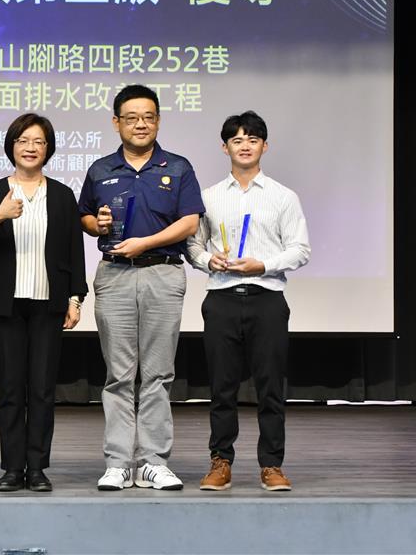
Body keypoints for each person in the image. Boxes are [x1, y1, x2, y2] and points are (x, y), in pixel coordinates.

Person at [78, 84, 204, 491]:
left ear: (158, 121)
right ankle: (118, 461)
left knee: (158, 373)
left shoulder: (178, 167)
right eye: (131, 118)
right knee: (118, 374)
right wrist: (96, 224)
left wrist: (145, 243)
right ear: (116, 122)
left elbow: (190, 222)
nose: (140, 124)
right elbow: (84, 217)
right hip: (114, 275)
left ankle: (153, 461)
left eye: (148, 117)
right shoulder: (100, 169)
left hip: (162, 273)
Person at [185, 110, 310, 492]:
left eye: (252, 139)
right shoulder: (208, 197)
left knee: (270, 388)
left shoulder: (283, 197)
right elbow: (192, 245)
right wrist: (209, 260)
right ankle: (220, 462)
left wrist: (263, 265)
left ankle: (271, 465)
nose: (245, 146)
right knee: (221, 388)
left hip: (267, 298)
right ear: (225, 147)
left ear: (264, 146)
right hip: (221, 298)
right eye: (236, 140)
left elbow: (300, 250)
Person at [0, 113, 87, 493]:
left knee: (42, 389)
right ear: (11, 147)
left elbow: (75, 250)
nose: (30, 148)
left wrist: (75, 298)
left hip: (49, 304)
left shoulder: (62, 195)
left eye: (38, 141)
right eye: (23, 141)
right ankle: (11, 468)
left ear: (48, 149)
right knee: (11, 388)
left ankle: (36, 468)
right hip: (6, 304)